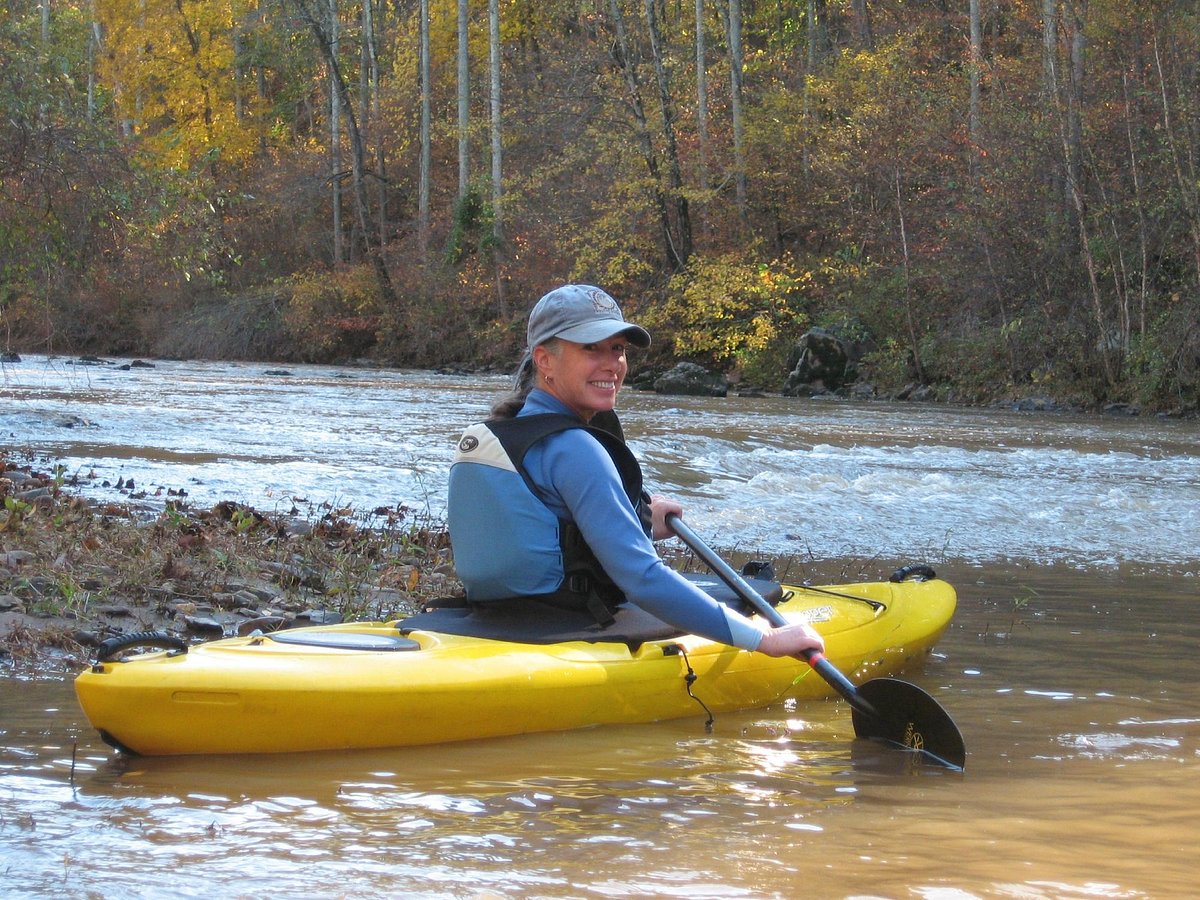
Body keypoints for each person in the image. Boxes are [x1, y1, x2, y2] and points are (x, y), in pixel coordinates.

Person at [447, 283, 825, 659]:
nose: (612, 364)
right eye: (591, 348)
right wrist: (764, 639)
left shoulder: (496, 436)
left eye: (618, 349)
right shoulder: (575, 448)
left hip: (492, 619)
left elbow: (542, 534)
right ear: (544, 359)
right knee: (730, 594)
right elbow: (643, 580)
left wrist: (640, 522)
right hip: (563, 627)